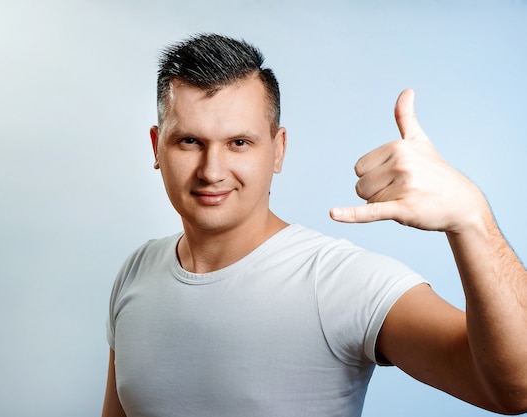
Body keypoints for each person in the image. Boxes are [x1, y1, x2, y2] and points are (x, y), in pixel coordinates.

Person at [102, 33, 527, 417]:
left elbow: (515, 390)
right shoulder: (138, 271)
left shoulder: (340, 281)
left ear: (278, 149)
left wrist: (473, 221)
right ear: (158, 147)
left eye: (239, 143)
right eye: (190, 141)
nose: (212, 170)